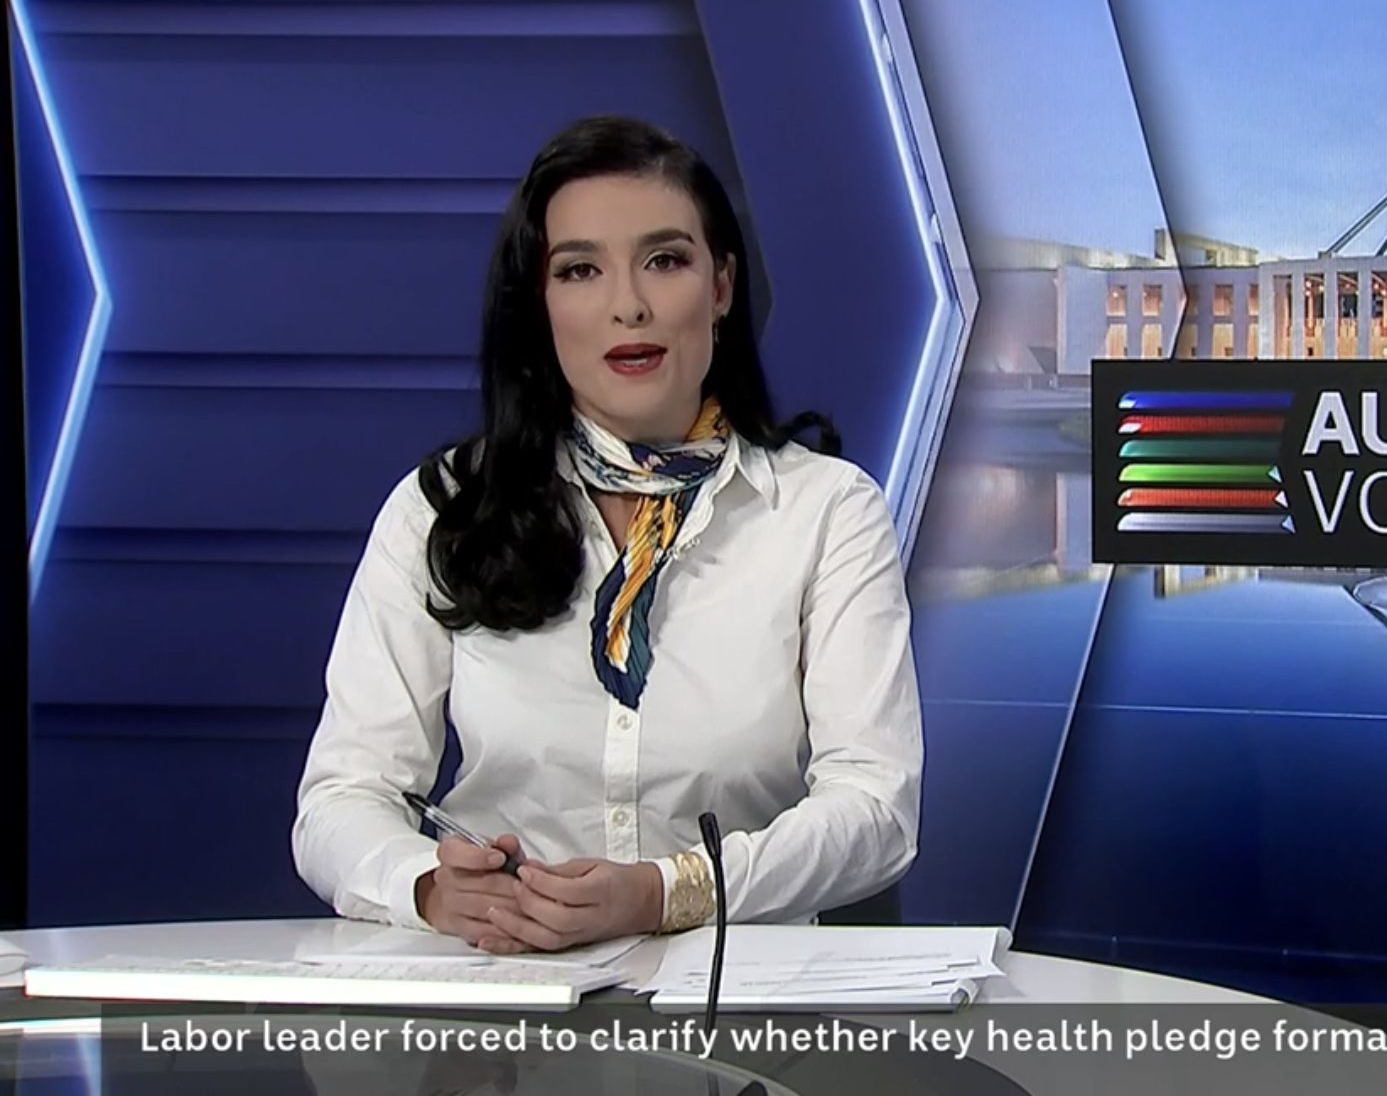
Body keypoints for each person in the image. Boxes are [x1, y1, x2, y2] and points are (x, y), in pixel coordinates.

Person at [293, 116, 921, 953]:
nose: (628, 304)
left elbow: (876, 807)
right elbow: (341, 798)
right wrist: (432, 887)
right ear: (540, 303)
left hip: (734, 994)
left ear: (722, 286)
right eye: (580, 269)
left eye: (665, 260)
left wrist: (667, 892)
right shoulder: (443, 507)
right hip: (497, 987)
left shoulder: (827, 512)